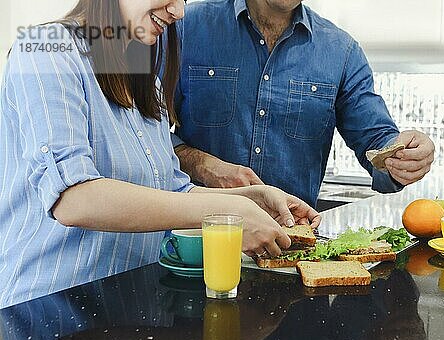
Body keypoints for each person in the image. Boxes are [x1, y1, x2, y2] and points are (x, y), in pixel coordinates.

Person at [0, 0, 320, 309]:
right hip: (47, 313)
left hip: (133, 306)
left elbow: (172, 190)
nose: (179, 11)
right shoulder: (45, 51)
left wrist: (252, 199)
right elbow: (73, 198)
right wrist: (229, 210)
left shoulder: (145, 80)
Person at [172, 0, 436, 206]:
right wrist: (202, 165)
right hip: (194, 239)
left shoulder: (342, 52)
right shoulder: (184, 27)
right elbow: (143, 132)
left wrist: (403, 156)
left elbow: (375, 141)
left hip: (287, 247)